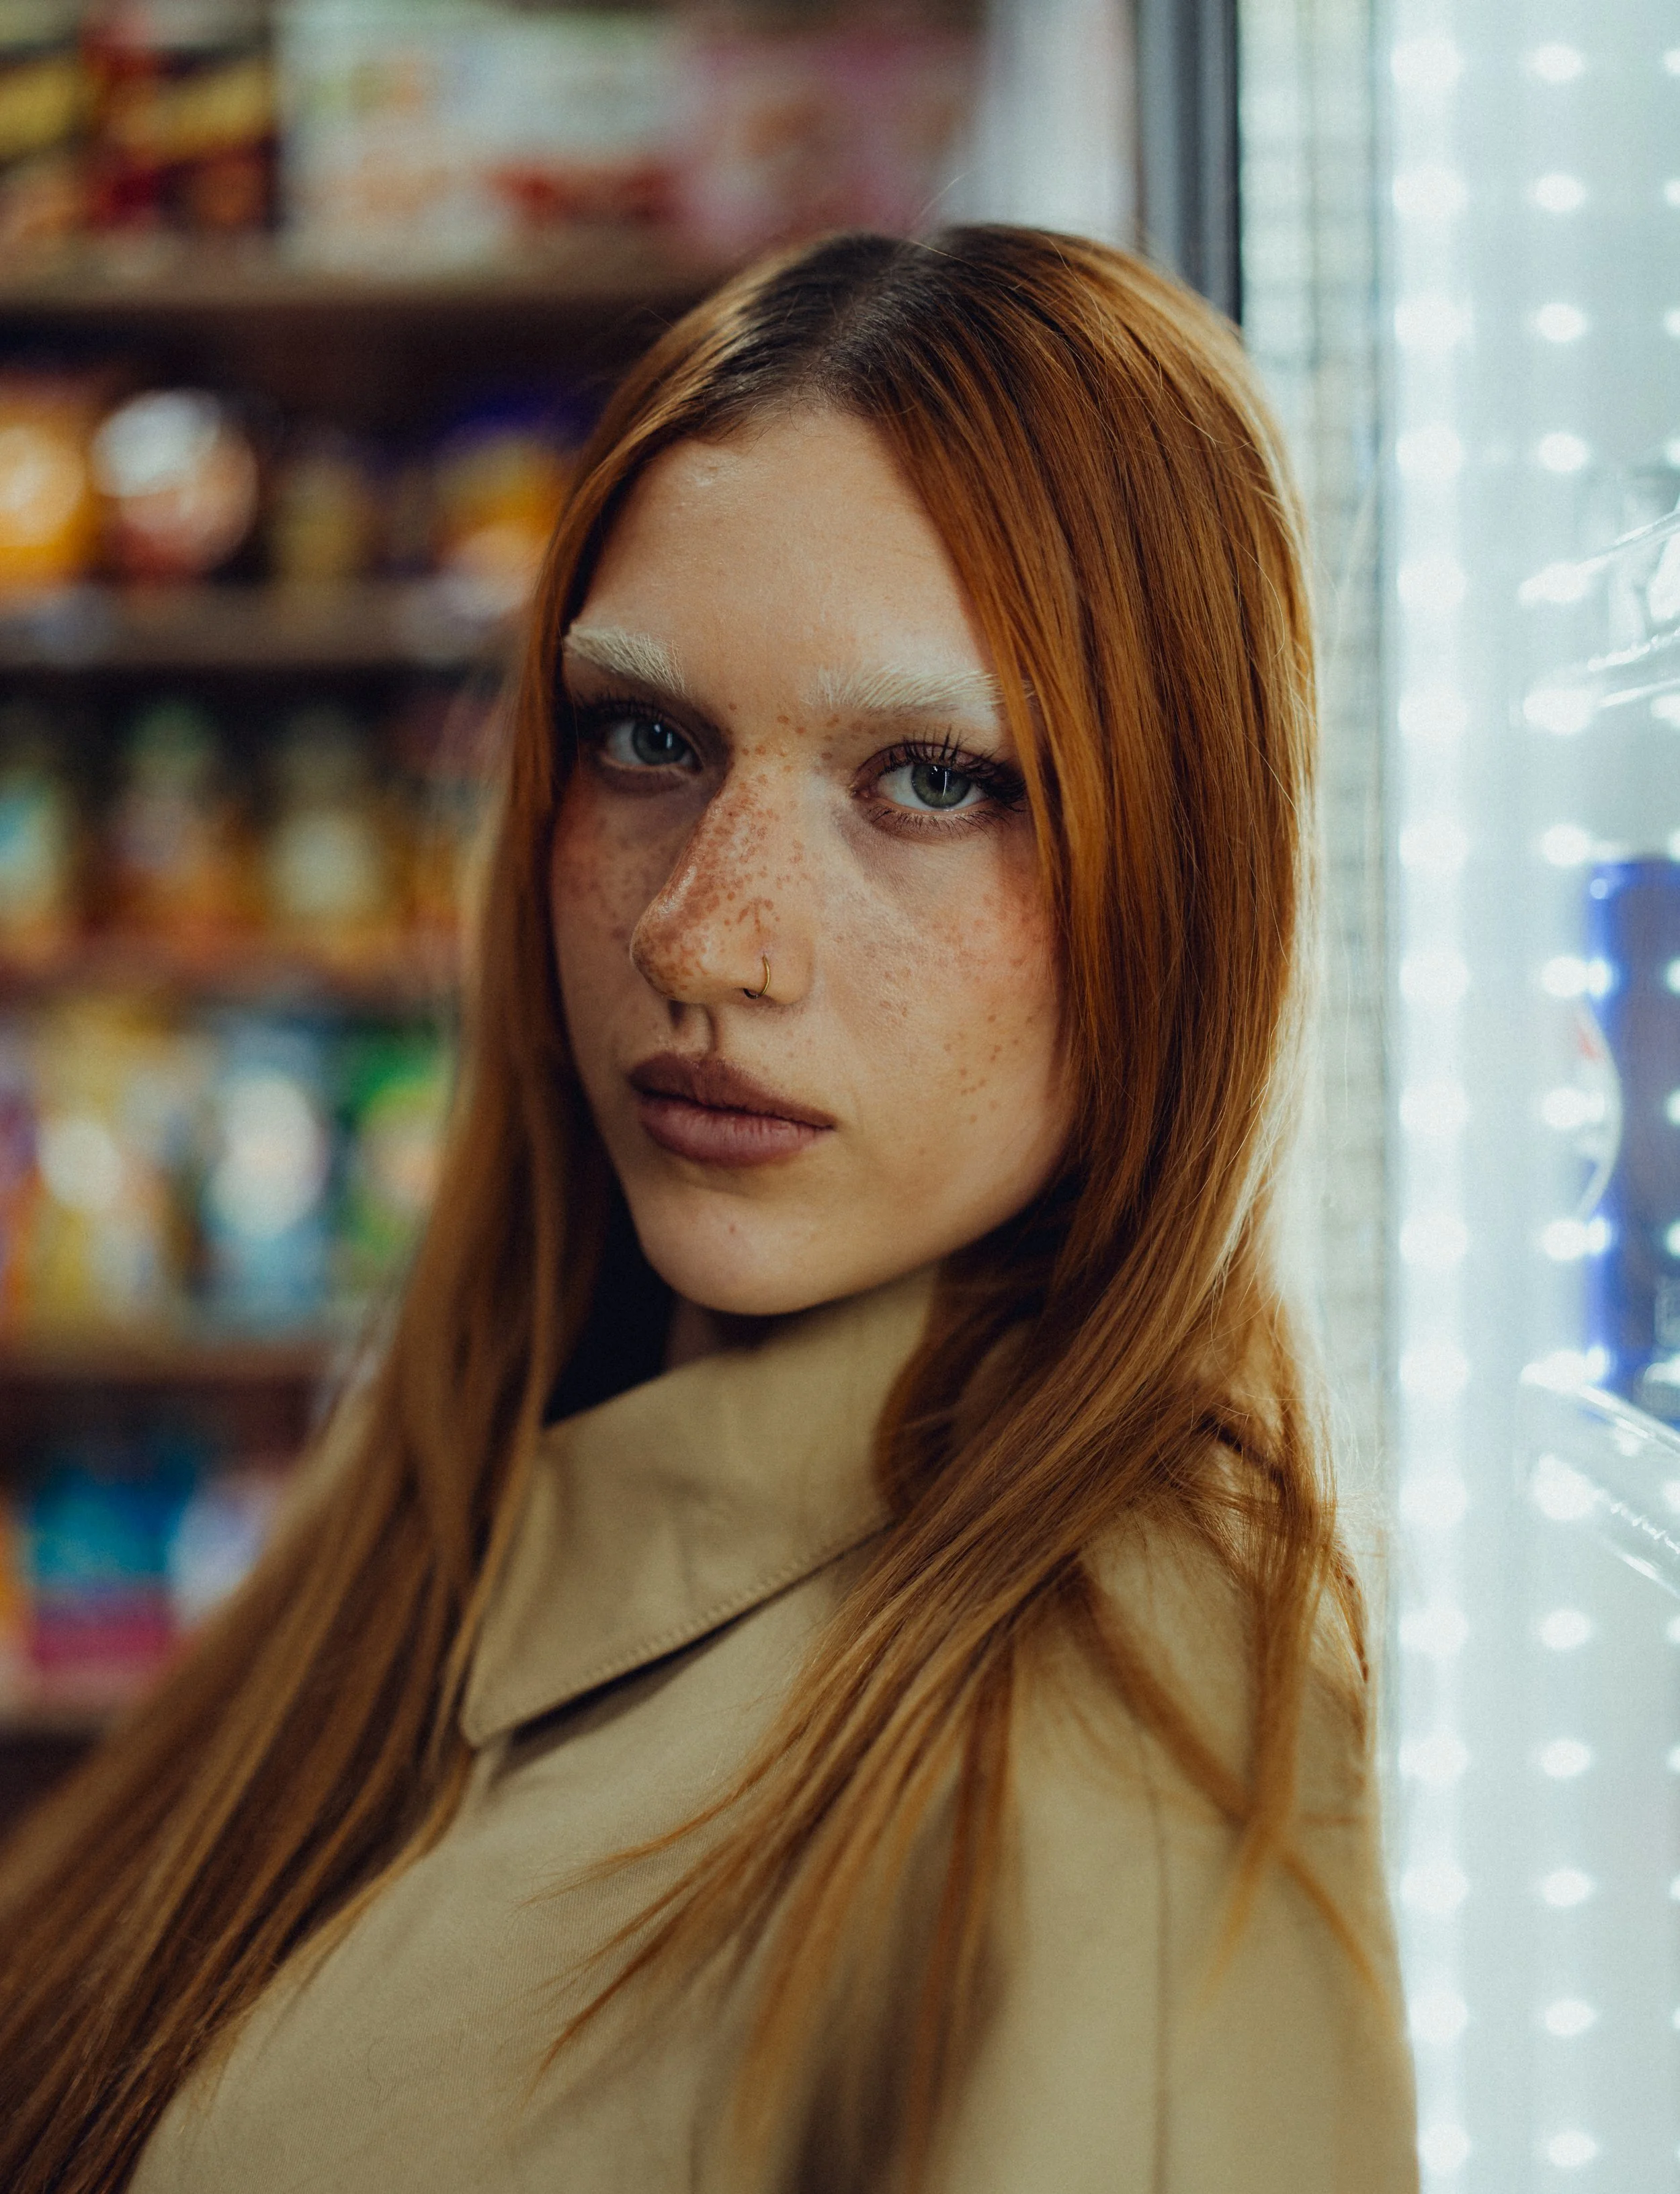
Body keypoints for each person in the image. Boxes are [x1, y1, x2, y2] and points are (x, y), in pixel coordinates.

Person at [0, 227, 1417, 2193]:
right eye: (647, 741)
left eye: (929, 779)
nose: (703, 937)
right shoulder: (465, 1473)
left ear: (1185, 870)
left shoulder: (1117, 1744)